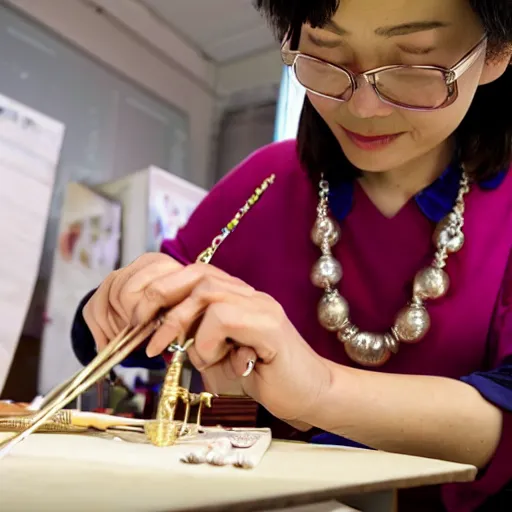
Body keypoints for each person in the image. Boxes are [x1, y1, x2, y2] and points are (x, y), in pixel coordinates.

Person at [71, 0, 512, 510]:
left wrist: (319, 390)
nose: (363, 107)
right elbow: (127, 335)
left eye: (413, 63)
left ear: (496, 52)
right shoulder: (266, 180)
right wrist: (124, 302)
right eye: (325, 55)